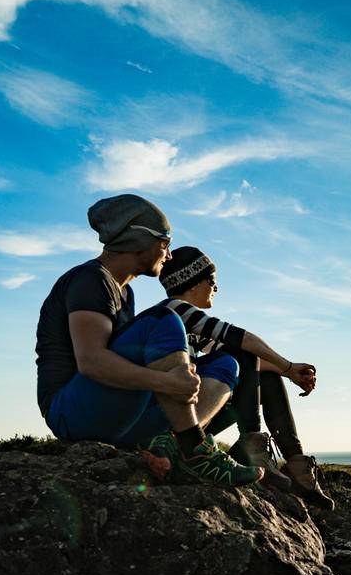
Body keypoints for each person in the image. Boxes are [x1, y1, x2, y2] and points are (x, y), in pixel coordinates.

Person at [34, 194, 261, 487]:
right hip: (71, 412)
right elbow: (91, 361)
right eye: (164, 244)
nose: (168, 256)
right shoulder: (90, 280)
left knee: (226, 363)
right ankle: (196, 451)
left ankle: (172, 446)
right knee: (163, 319)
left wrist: (182, 373)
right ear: (138, 240)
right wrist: (167, 383)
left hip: (117, 415)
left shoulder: (125, 294)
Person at [150, 246, 335, 508]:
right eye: (212, 281)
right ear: (192, 284)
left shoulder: (191, 328)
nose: (216, 288)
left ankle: (294, 462)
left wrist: (289, 373)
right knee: (243, 352)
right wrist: (289, 366)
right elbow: (243, 340)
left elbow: (249, 367)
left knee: (266, 376)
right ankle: (253, 448)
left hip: (191, 412)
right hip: (176, 419)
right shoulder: (174, 310)